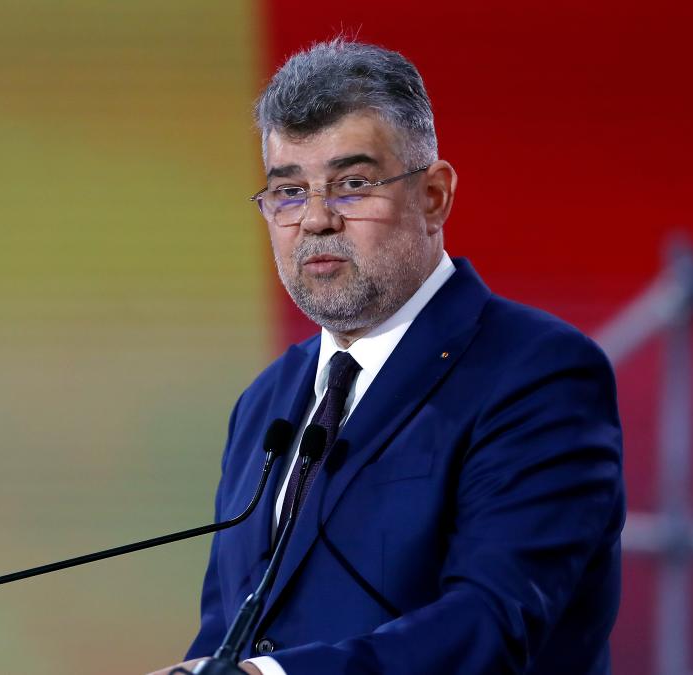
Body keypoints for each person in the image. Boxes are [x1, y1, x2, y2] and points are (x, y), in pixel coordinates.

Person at [149, 39, 624, 674]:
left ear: (434, 196)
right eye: (289, 191)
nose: (315, 220)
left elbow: (490, 624)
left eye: (351, 185)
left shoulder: (539, 375)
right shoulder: (266, 401)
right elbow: (225, 638)